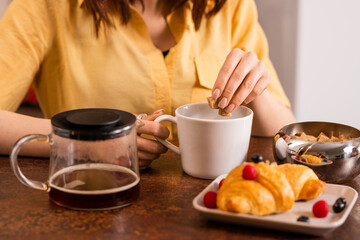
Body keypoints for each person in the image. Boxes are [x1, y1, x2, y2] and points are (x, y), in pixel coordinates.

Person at [0, 0, 295, 167]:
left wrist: (256, 91)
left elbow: (285, 132)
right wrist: (83, 144)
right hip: (92, 206)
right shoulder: (45, 6)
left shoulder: (232, 7)